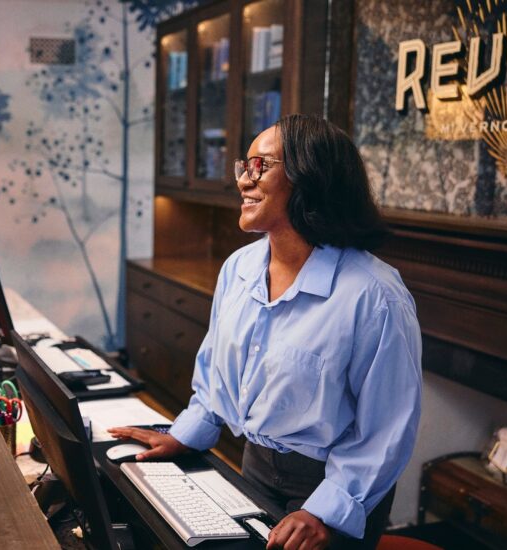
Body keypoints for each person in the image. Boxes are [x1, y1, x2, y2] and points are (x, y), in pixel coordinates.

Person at [110, 114, 422, 550]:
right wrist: (185, 433)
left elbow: (386, 430)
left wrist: (325, 511)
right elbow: (217, 376)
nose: (243, 181)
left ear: (310, 178)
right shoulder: (238, 269)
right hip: (253, 463)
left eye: (262, 166)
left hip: (333, 485)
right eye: (244, 166)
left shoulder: (375, 295)